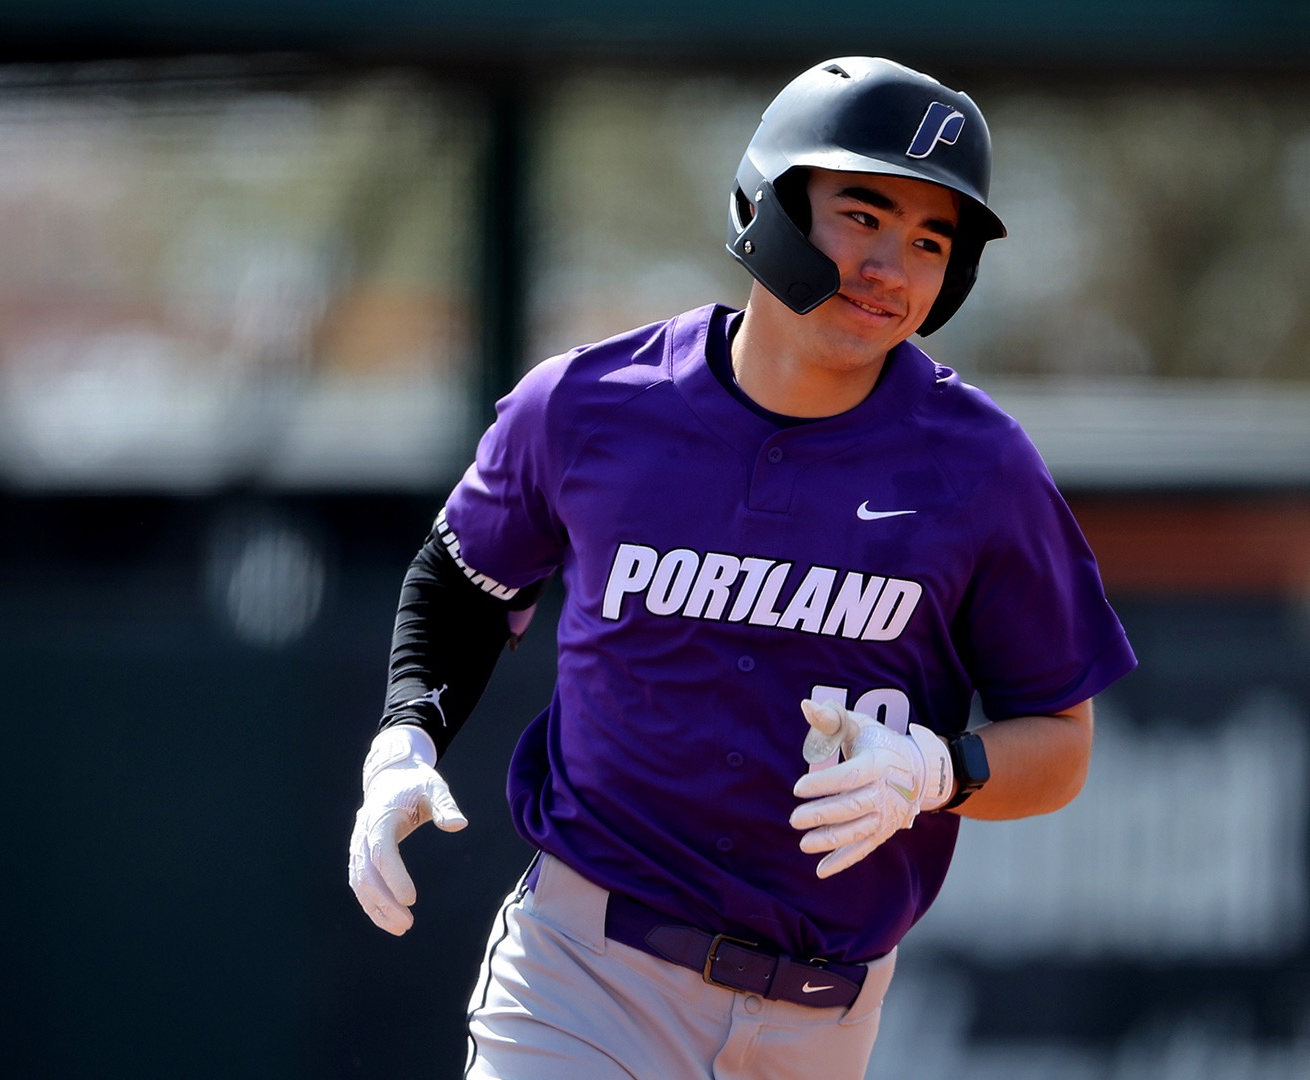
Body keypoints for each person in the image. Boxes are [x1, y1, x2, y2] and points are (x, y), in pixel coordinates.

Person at [347, 55, 1136, 1079]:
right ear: (766, 202)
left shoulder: (980, 468)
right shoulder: (588, 406)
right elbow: (463, 579)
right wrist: (405, 737)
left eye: (931, 239)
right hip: (586, 976)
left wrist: (942, 770)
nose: (893, 264)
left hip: (824, 1016)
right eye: (862, 214)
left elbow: (1062, 746)